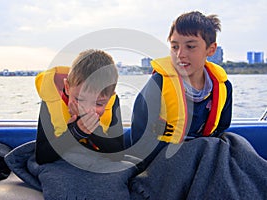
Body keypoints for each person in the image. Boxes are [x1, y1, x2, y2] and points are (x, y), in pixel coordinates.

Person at [130, 11, 232, 160]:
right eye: (175, 47)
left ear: (211, 49)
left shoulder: (224, 87)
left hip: (203, 154)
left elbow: (221, 128)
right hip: (164, 158)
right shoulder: (158, 84)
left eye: (190, 47)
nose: (180, 54)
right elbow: (140, 137)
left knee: (237, 145)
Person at [35, 49, 124, 164]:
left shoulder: (113, 101)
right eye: (80, 99)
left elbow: (118, 155)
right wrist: (75, 131)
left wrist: (92, 129)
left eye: (98, 104)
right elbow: (41, 157)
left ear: (111, 96)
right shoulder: (51, 98)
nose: (87, 109)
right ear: (67, 87)